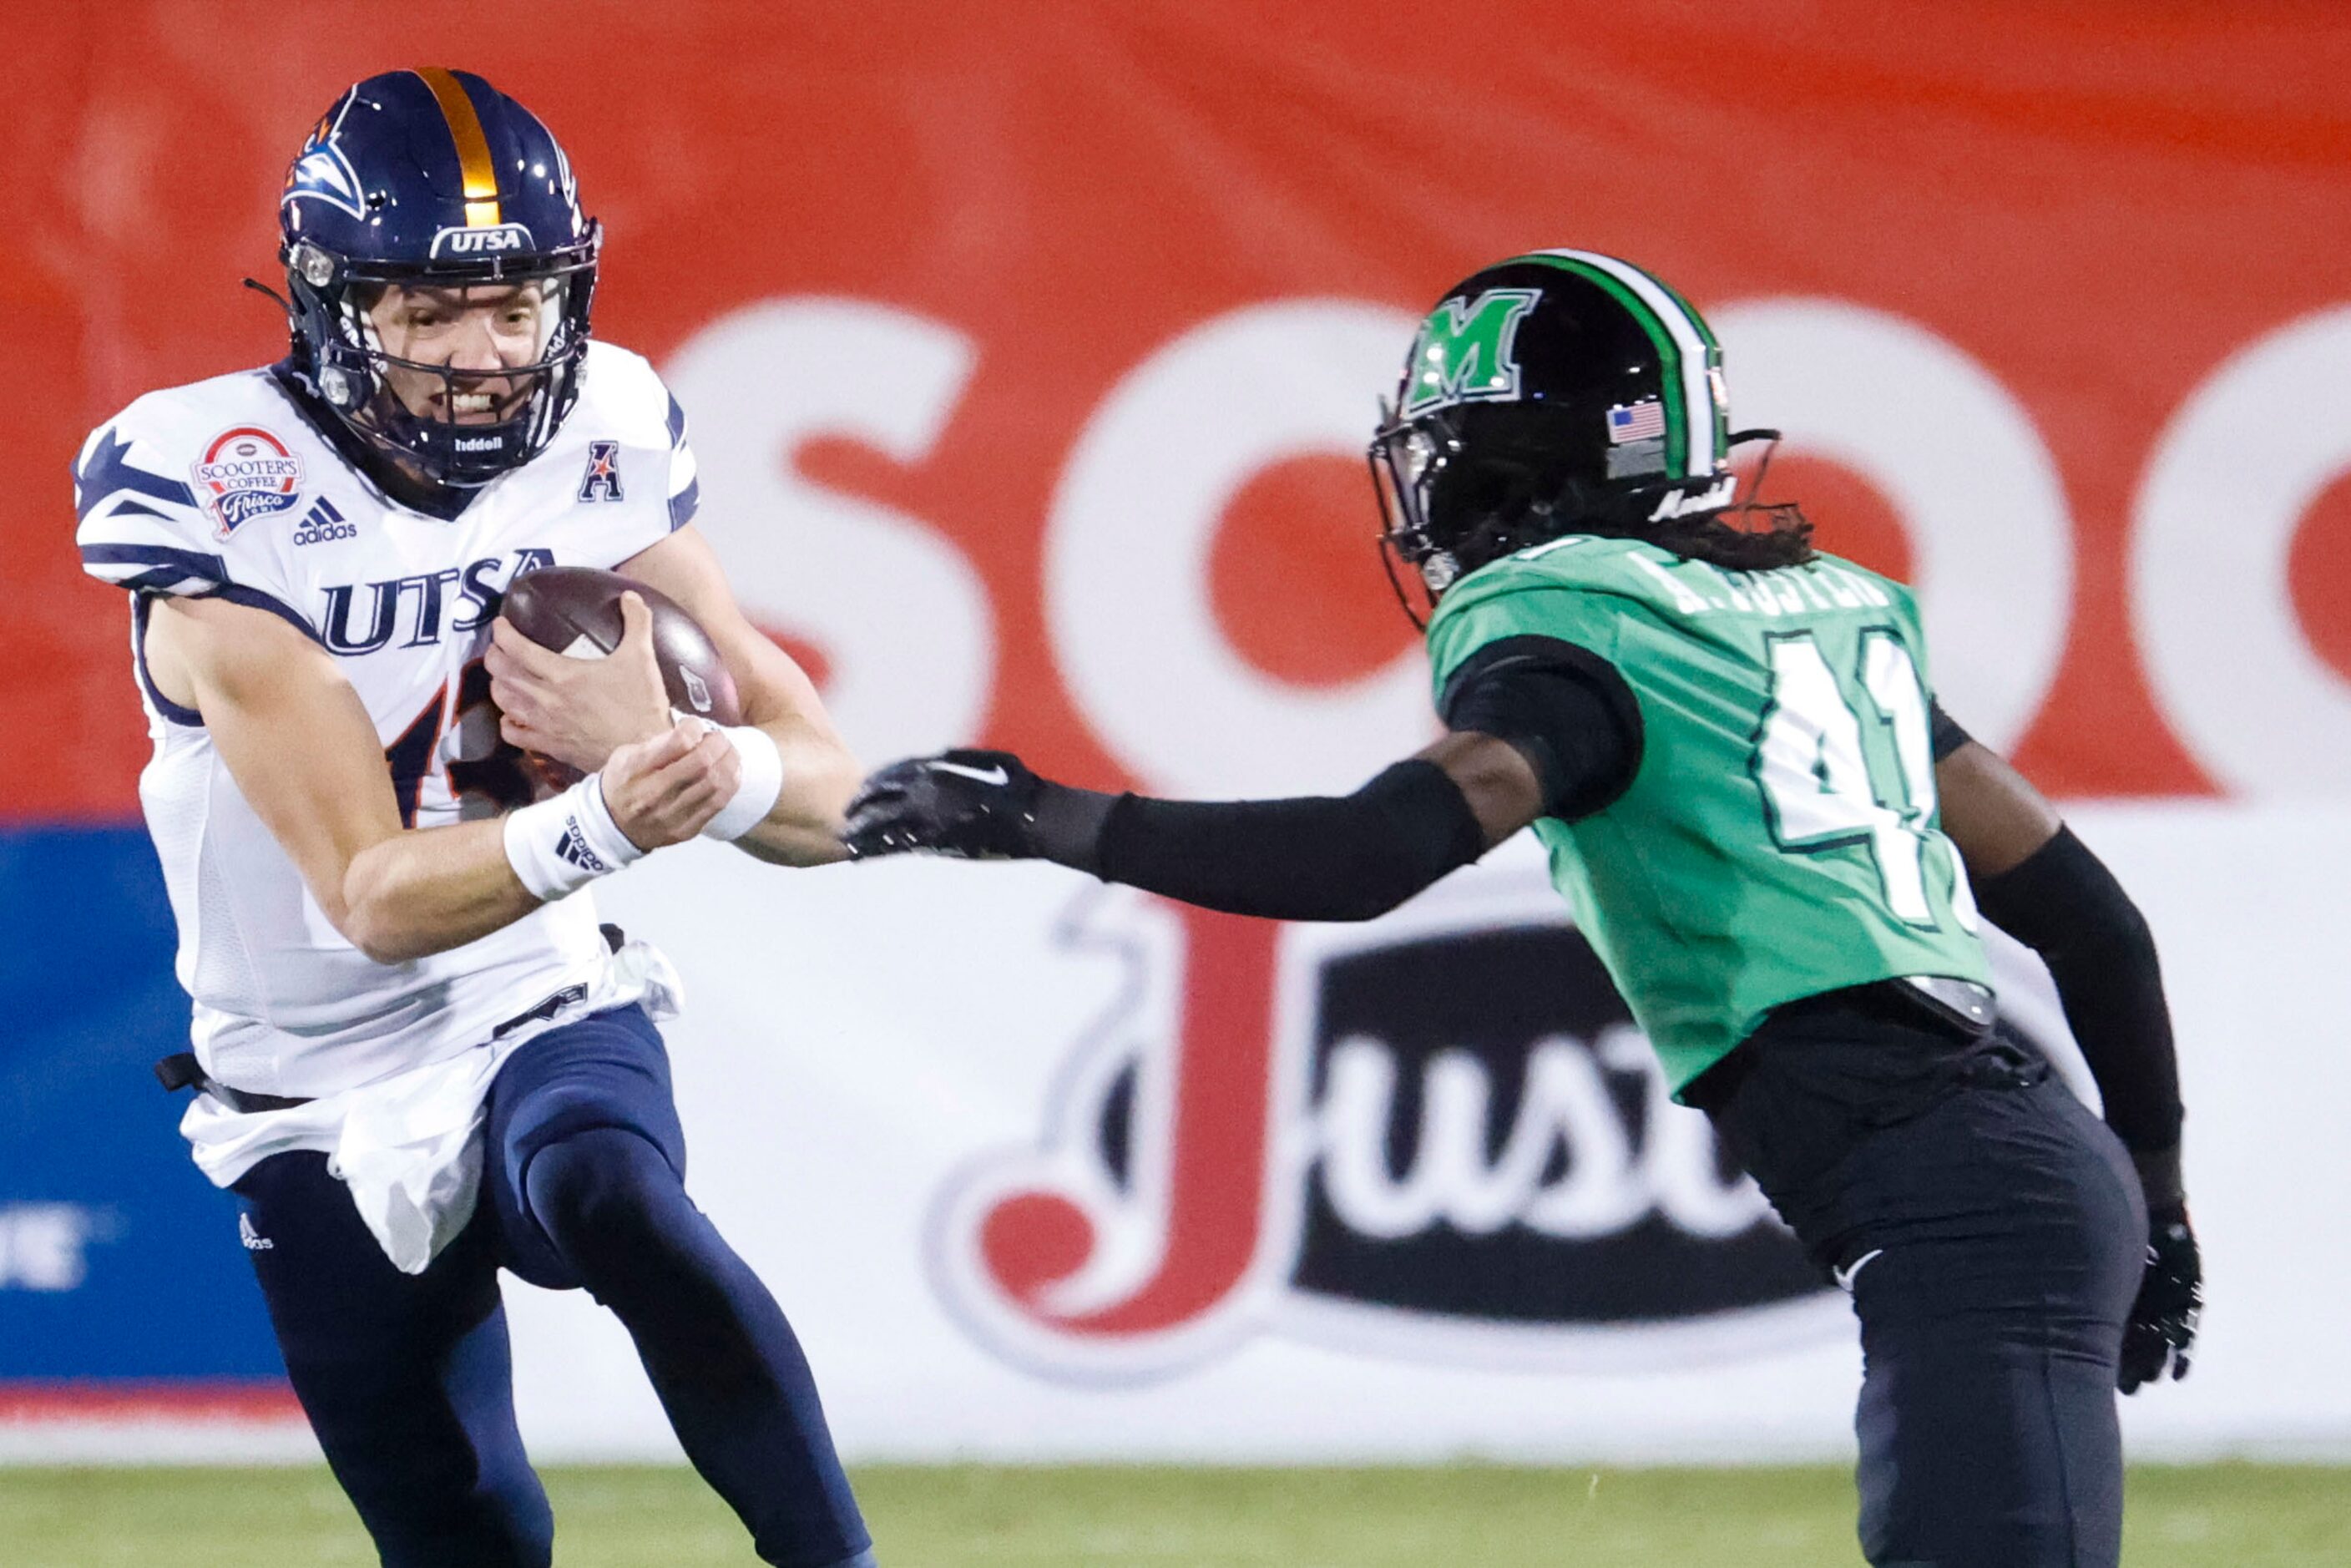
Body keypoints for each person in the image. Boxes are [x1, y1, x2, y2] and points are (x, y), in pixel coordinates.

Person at [844, 250, 2202, 1568]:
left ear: (1545, 462)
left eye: (1465, 458)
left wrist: (1048, 818)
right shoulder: (1819, 613)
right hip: (2002, 1166)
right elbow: (2095, 922)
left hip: (1962, 1190)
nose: (1440, 498)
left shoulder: (1588, 629)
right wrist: (2159, 1198)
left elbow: (1371, 854)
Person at [74, 68, 873, 1568]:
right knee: (466, 1531)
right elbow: (367, 893)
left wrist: (705, 771)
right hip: (300, 1075)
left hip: (533, 992)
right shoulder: (213, 484)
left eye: (513, 305)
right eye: (427, 311)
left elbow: (833, 792)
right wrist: (615, 820)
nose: (480, 355)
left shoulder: (611, 432)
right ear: (326, 302)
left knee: (614, 1191)